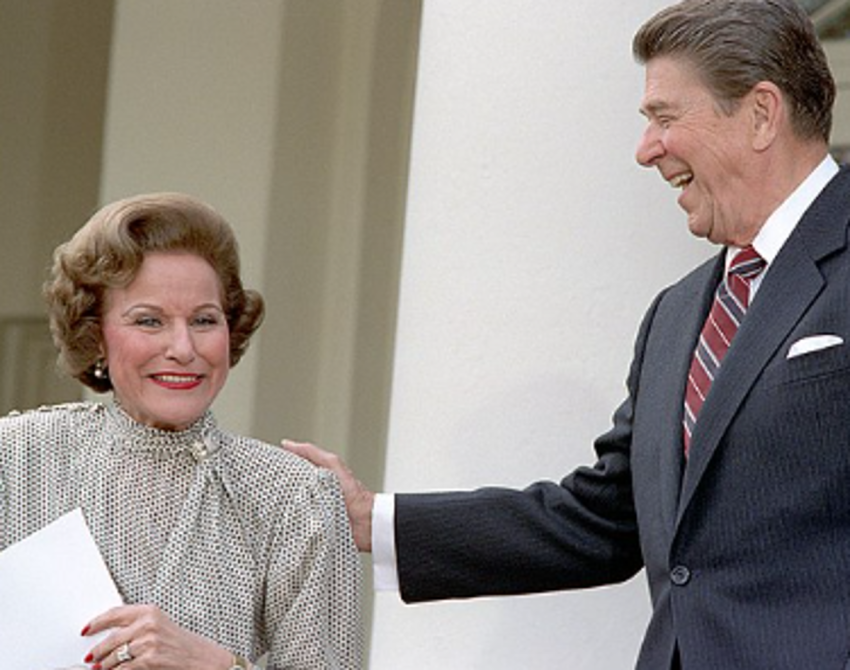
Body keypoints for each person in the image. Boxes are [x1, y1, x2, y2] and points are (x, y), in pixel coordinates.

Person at [284, 0, 850, 668]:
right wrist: (368, 519)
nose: (646, 149)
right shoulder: (676, 315)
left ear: (760, 113)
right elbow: (603, 520)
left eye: (665, 118)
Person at [0, 193, 363, 670]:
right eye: (149, 321)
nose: (183, 348)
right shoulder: (16, 457)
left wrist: (217, 666)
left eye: (204, 320)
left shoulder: (293, 496)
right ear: (95, 334)